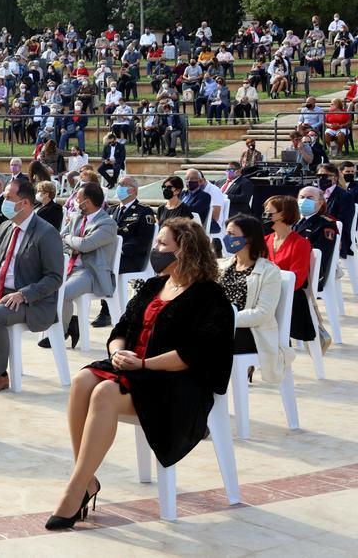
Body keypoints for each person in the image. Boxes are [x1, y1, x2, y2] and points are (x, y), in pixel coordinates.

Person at [47, 217, 233, 530]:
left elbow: (195, 355)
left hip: (177, 382)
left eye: (163, 244)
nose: (155, 249)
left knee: (105, 392)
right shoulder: (154, 285)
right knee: (82, 380)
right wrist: (117, 351)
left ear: (184, 251)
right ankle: (87, 479)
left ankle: (74, 488)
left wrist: (144, 365)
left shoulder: (210, 297)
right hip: (136, 368)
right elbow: (121, 328)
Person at [0, 178, 63, 393]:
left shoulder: (46, 233)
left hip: (31, 301)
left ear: (26, 204)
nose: (4, 201)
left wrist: (24, 294)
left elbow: (54, 277)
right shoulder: (5, 227)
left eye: (8, 198)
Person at [220, 214, 294, 381]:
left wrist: (224, 319)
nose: (227, 238)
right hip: (221, 326)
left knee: (199, 342)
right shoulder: (223, 265)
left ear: (250, 238)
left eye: (232, 234)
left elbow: (262, 314)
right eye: (226, 233)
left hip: (251, 332)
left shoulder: (269, 271)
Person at [53, 183, 119, 348]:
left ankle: (60, 334)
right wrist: (73, 242)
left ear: (87, 202)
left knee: (64, 292)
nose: (75, 201)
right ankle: (70, 324)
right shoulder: (76, 217)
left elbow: (85, 245)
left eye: (78, 198)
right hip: (70, 267)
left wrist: (69, 239)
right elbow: (60, 241)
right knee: (47, 285)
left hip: (91, 272)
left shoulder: (107, 224)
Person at [264, 195, 321, 346]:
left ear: (283, 214)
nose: (265, 214)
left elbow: (296, 280)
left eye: (269, 212)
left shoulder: (300, 244)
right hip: (266, 294)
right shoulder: (266, 240)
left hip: (289, 299)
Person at [293, 186, 339, 291]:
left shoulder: (326, 224)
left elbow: (321, 256)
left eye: (310, 198)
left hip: (309, 273)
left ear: (320, 202)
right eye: (302, 197)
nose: (305, 200)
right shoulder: (294, 221)